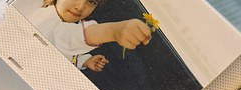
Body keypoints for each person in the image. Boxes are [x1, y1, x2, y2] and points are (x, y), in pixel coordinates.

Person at [22, 0, 152, 71]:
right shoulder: (42, 14)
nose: (80, 6)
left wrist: (84, 61)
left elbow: (67, 52)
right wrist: (113, 31)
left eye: (91, 2)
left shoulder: (65, 25)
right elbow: (67, 37)